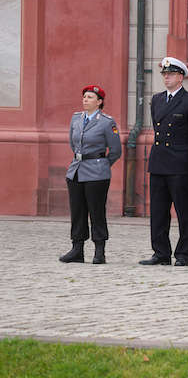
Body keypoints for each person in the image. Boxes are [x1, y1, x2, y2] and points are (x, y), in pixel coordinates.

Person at [140, 57, 188, 266]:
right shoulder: (157, 99)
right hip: (159, 161)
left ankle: (185, 252)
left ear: (180, 77)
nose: (166, 77)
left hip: (180, 163)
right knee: (158, 211)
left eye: (170, 74)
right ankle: (160, 252)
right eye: (164, 74)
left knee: (184, 211)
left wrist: (187, 154)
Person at [60, 85, 123, 264]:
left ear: (99, 102)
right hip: (76, 170)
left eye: (90, 97)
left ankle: (99, 250)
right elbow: (73, 143)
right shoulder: (76, 119)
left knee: (96, 211)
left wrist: (102, 164)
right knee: (77, 211)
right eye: (84, 97)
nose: (85, 100)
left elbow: (116, 150)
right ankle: (77, 249)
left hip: (97, 173)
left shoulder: (106, 122)